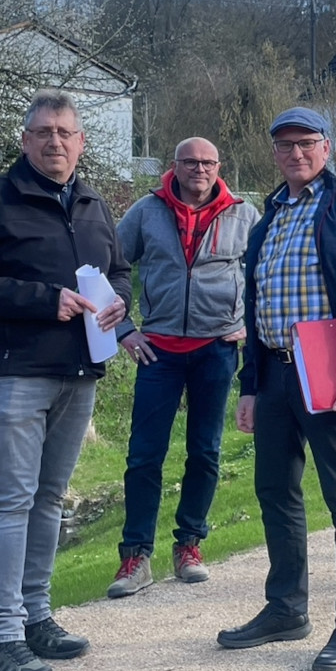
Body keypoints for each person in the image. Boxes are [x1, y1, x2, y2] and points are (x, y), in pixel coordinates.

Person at [0, 90, 131, 671]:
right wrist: (40, 300)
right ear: (25, 140)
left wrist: (122, 304)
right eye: (44, 131)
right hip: (11, 369)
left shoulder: (94, 204)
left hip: (79, 369)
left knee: (49, 499)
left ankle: (35, 618)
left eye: (66, 133)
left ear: (80, 143)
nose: (55, 141)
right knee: (10, 500)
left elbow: (118, 270)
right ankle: (0, 641)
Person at [216, 107, 336, 671]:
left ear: (326, 148)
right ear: (274, 153)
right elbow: (254, 302)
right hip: (273, 372)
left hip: (331, 371)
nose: (296, 153)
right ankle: (287, 608)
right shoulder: (267, 218)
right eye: (285, 145)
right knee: (275, 490)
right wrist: (248, 386)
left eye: (307, 143)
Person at [106, 138, 260, 598]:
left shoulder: (243, 213)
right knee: (143, 455)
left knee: (206, 451)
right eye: (191, 162)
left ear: (219, 166)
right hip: (157, 349)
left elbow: (266, 273)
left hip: (217, 348)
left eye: (208, 162)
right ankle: (135, 556)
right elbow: (109, 266)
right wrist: (124, 330)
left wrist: (247, 327)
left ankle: (189, 545)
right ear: (173, 166)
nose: (199, 169)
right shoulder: (146, 210)